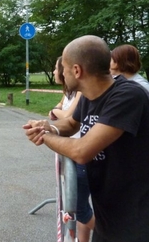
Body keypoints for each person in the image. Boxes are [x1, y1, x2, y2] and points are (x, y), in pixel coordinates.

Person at [23, 35, 149, 242]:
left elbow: (82, 151)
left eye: (63, 67)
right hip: (108, 211)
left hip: (136, 216)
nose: (61, 73)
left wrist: (44, 137)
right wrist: (48, 127)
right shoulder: (90, 95)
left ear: (76, 70)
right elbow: (72, 124)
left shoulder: (128, 96)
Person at [50, 57, 94, 242]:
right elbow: (58, 114)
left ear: (73, 70)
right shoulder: (68, 92)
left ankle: (118, 234)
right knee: (77, 205)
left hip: (80, 153)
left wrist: (48, 128)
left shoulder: (80, 93)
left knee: (78, 206)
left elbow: (64, 115)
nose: (53, 72)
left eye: (56, 68)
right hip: (73, 151)